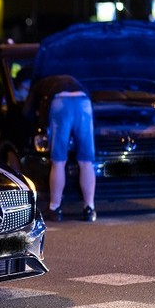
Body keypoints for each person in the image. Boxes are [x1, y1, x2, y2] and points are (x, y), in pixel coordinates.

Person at [23, 74, 96, 222]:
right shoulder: (72, 80)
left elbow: (26, 113)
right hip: (84, 102)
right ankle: (89, 208)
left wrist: (39, 119)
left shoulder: (39, 85)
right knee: (86, 161)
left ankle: (55, 208)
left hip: (61, 103)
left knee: (58, 161)